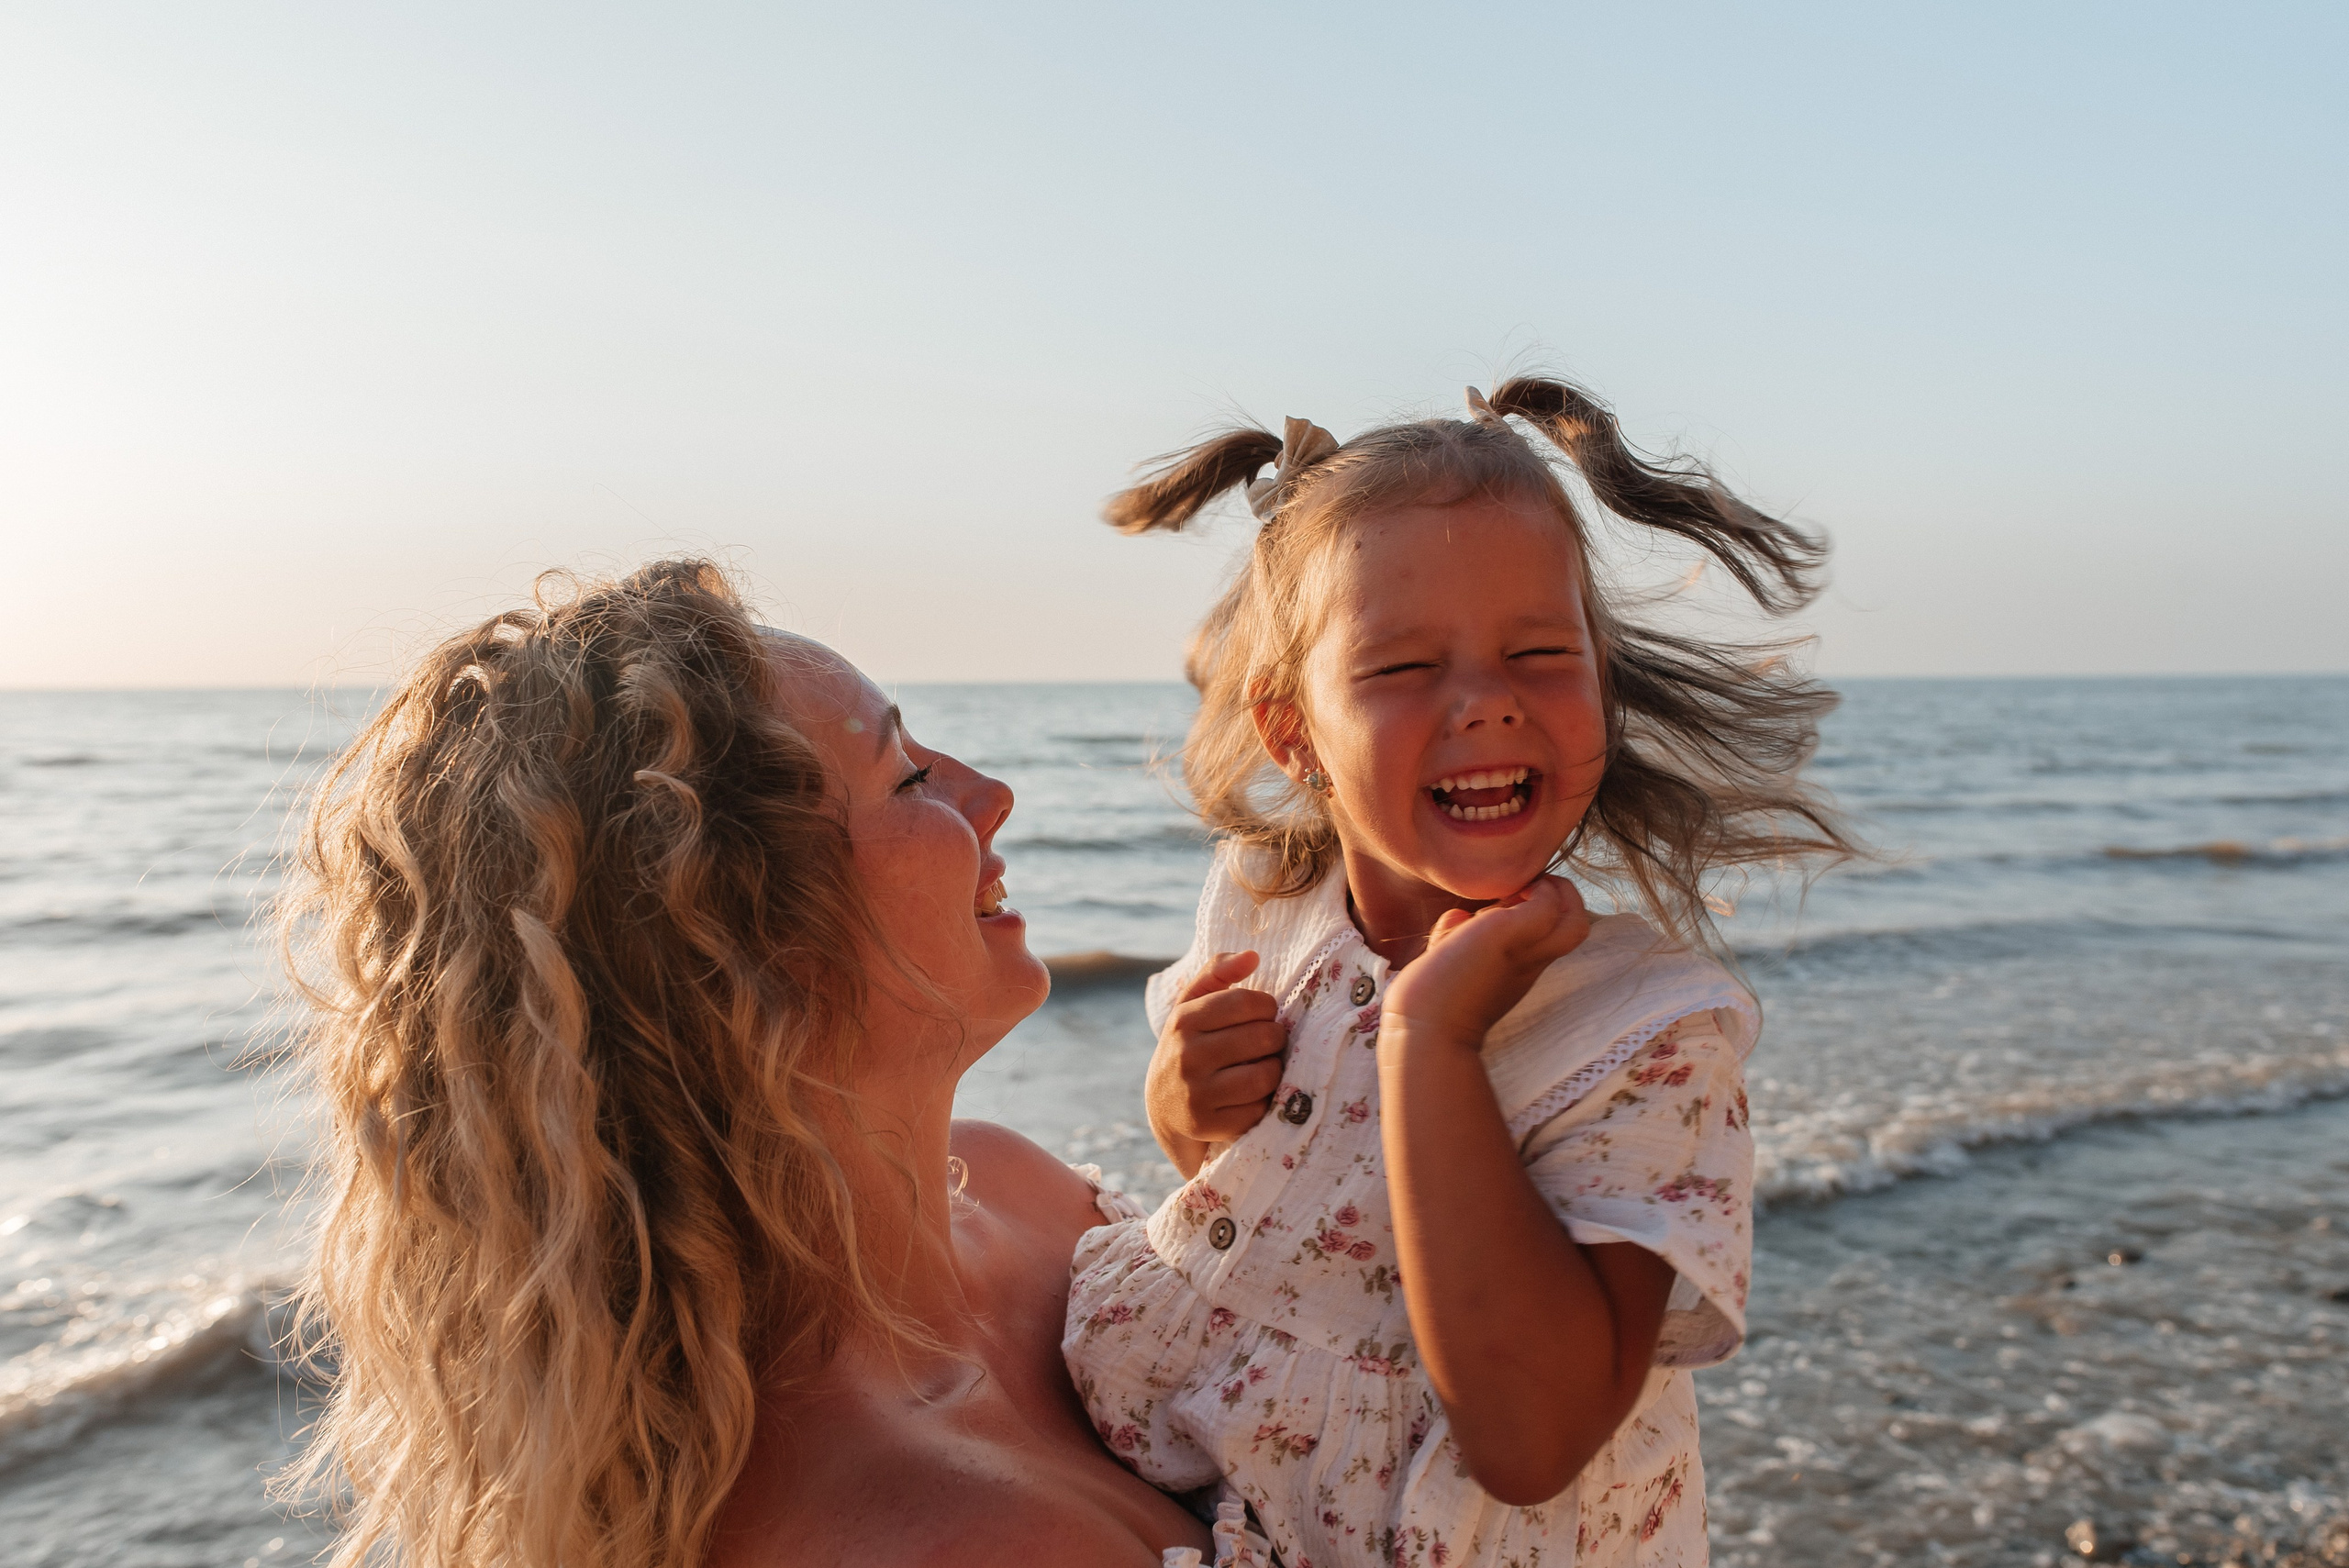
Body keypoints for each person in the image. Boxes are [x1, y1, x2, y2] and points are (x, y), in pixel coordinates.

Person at [1062, 379, 1858, 1566]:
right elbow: (1272, 1204)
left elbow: (1531, 1441)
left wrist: (1429, 1038)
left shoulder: (1649, 1034)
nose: (1486, 702)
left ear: (1602, 677)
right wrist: (1181, 1110)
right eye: (1400, 669)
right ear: (1296, 734)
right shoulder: (1266, 900)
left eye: (1539, 652)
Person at [279, 561, 1216, 1567]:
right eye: (907, 776)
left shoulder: (1019, 1185)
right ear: (745, 952)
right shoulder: (925, 1535)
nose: (991, 794)